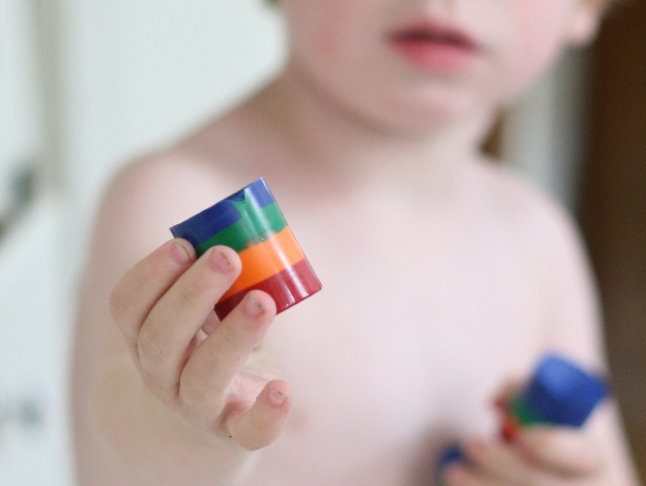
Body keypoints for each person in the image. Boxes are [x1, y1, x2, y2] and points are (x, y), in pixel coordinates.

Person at [71, 0, 642, 484]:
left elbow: (604, 464)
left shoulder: (538, 235)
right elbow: (116, 440)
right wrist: (185, 427)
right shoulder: (185, 204)